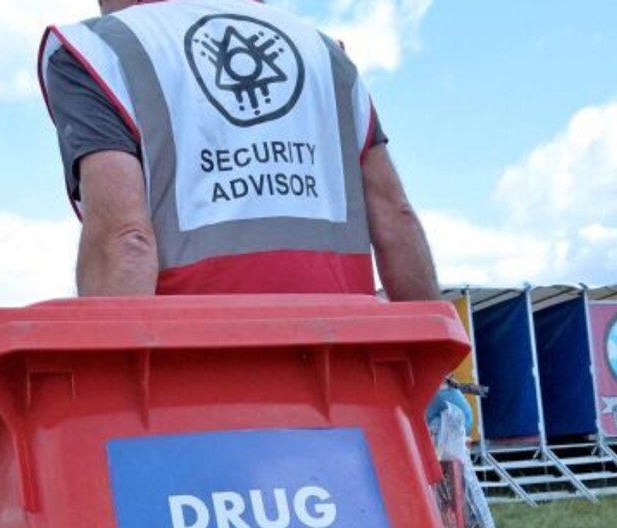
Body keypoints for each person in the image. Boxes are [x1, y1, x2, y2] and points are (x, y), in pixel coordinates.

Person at [39, 0, 441, 302]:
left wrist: (108, 392)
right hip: (344, 373)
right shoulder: (326, 54)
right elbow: (396, 218)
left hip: (186, 377)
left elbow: (124, 241)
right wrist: (433, 371)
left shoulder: (97, 50)